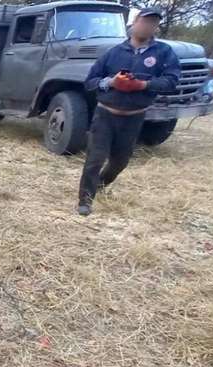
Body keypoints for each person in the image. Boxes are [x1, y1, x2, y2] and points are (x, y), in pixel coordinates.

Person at [77, 7, 180, 216]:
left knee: (120, 161)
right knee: (95, 159)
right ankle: (85, 199)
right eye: (144, 21)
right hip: (105, 114)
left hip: (133, 117)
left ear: (155, 27)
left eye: (153, 23)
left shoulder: (163, 53)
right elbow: (90, 82)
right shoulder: (114, 53)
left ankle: (100, 185)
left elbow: (171, 80)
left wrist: (143, 85)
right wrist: (112, 82)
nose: (148, 26)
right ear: (134, 23)